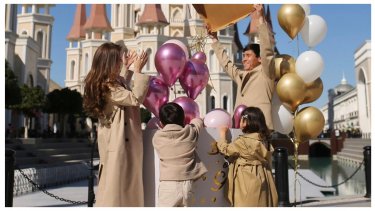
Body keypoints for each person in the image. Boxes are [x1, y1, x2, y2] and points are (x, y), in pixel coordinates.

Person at [83, 42, 150, 206]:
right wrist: (138, 71)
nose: (121, 62)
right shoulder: (107, 86)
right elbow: (133, 98)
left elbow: (123, 91)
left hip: (122, 143)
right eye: (118, 60)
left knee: (124, 188)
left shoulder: (112, 83)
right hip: (118, 145)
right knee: (117, 191)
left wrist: (127, 71)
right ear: (109, 63)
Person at [207, 4, 275, 130]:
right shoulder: (241, 75)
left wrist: (260, 19)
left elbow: (267, 49)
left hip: (259, 129)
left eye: (248, 55)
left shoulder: (266, 72)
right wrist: (215, 41)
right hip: (240, 129)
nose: (244, 59)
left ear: (260, 58)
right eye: (243, 55)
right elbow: (226, 64)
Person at [215, 107, 278, 207]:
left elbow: (225, 150)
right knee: (261, 201)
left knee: (245, 201)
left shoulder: (243, 142)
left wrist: (222, 134)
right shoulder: (264, 140)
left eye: (241, 119)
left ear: (245, 122)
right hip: (263, 174)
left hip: (246, 177)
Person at [152, 102, 208, 207]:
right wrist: (197, 120)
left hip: (168, 184)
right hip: (188, 185)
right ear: (183, 119)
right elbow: (197, 122)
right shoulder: (190, 132)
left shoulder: (157, 138)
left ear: (161, 123)